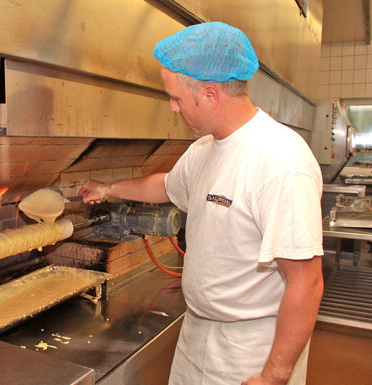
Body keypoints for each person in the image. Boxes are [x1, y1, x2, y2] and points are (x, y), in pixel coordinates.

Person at [78, 22, 324, 385]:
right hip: (197, 334)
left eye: (176, 98)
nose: (173, 109)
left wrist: (273, 375)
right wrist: (109, 187)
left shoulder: (280, 161)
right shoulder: (205, 149)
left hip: (252, 348)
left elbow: (306, 282)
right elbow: (165, 185)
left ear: (210, 95)